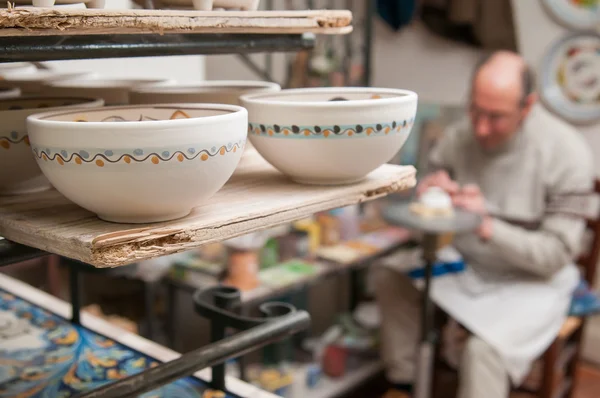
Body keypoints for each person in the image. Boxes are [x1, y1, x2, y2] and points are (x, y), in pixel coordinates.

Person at [373, 51, 595, 398]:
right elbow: (427, 218)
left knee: (483, 351)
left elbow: (554, 256)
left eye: (496, 117)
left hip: (533, 281)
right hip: (467, 266)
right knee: (390, 278)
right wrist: (431, 198)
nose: (480, 127)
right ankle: (406, 383)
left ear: (527, 106)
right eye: (475, 110)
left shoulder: (566, 153)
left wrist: (487, 224)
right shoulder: (459, 138)